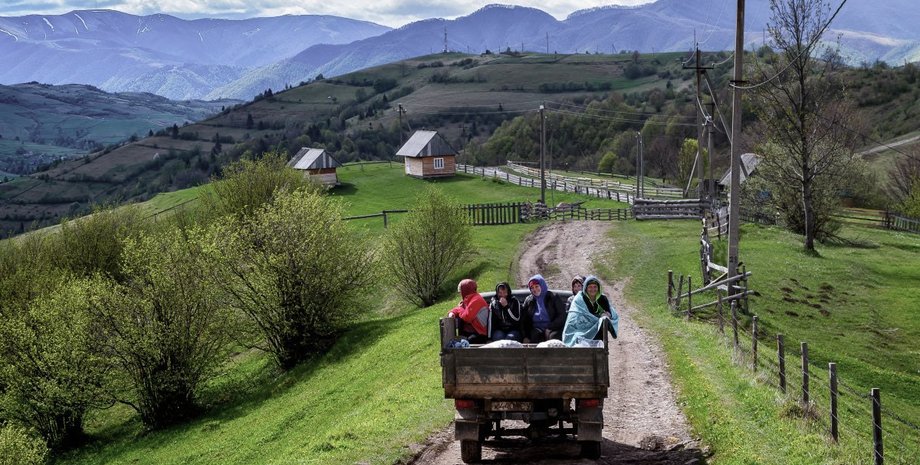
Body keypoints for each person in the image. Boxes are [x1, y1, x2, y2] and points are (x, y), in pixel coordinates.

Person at [563, 275, 619, 346]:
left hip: (598, 331)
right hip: (581, 329)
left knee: (602, 323)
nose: (592, 289)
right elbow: (574, 316)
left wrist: (606, 315)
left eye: (595, 287)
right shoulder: (579, 298)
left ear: (598, 288)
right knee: (577, 337)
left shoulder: (602, 298)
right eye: (590, 287)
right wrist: (599, 316)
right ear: (586, 288)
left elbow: (609, 313)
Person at [521, 274, 566, 343]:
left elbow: (561, 316)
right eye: (532, 288)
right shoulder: (529, 300)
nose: (535, 289)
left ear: (542, 285)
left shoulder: (553, 297)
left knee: (553, 338)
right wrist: (526, 336)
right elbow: (524, 320)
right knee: (535, 336)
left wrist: (550, 327)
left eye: (537, 286)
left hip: (553, 328)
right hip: (536, 328)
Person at [447, 278, 490, 344]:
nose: (460, 293)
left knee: (465, 343)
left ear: (465, 290)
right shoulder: (468, 299)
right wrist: (452, 312)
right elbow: (459, 308)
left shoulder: (476, 300)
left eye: (461, 291)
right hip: (471, 331)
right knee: (456, 342)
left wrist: (459, 309)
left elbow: (467, 317)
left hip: (480, 333)